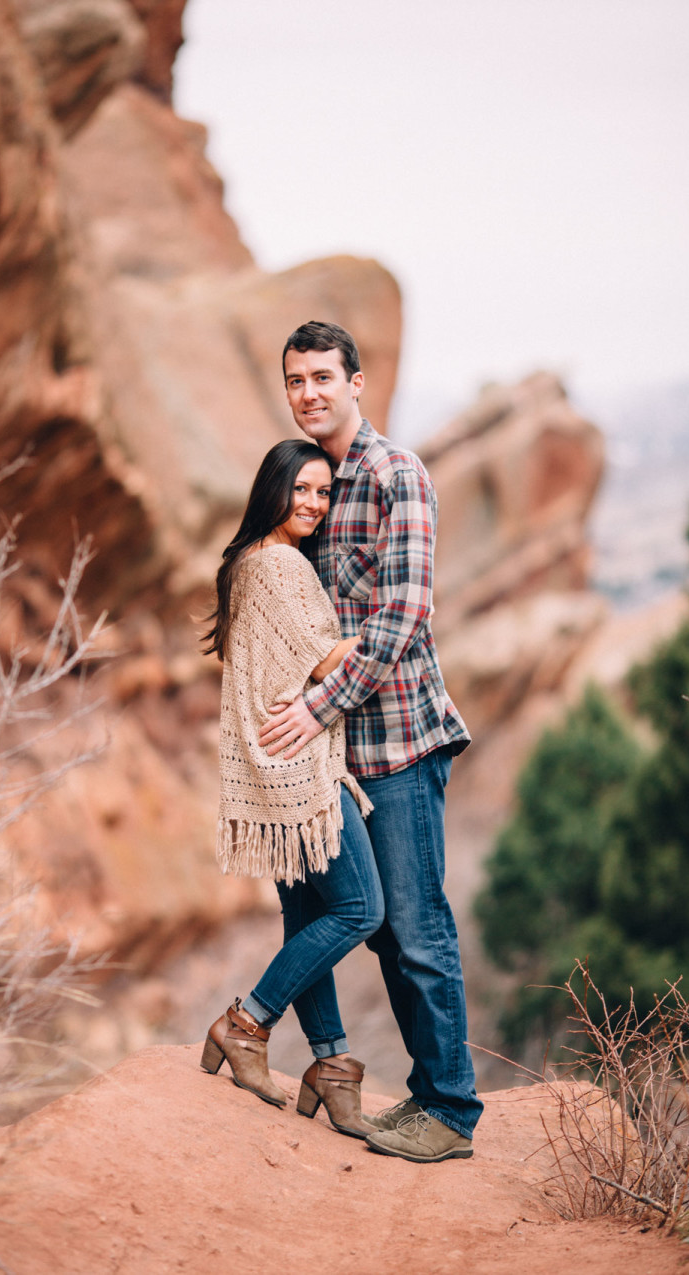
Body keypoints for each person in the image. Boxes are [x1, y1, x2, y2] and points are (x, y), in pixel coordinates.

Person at [259, 320, 484, 1163]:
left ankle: (451, 1109)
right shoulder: (308, 483)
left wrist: (319, 709)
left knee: (418, 925)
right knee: (381, 929)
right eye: (296, 379)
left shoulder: (398, 474)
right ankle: (426, 1097)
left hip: (399, 741)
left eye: (323, 376)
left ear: (358, 380)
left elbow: (400, 620)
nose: (309, 391)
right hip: (338, 754)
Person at [200, 439, 384, 1138]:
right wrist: (396, 630)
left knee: (310, 921)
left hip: (269, 771)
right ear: (273, 490)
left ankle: (332, 1066)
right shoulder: (279, 564)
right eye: (300, 489)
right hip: (300, 770)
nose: (312, 502)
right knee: (361, 908)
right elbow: (328, 657)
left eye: (322, 492)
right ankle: (247, 1021)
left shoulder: (249, 562)